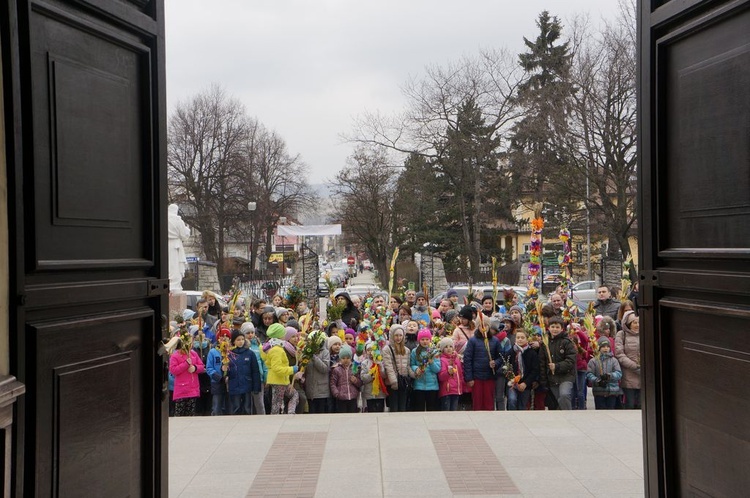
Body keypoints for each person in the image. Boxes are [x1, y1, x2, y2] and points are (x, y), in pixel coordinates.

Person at [539, 316, 577, 410]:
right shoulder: (545, 343)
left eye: (557, 327)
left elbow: (571, 360)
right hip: (552, 378)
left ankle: (569, 416)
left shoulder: (567, 342)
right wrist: (543, 380)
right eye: (552, 327)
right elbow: (542, 362)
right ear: (548, 328)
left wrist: (557, 366)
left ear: (562, 328)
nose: (555, 329)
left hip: (566, 376)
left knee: (564, 395)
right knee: (558, 400)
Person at [262, 323, 300, 415]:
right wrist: (292, 369)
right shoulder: (277, 350)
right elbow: (277, 368)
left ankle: (290, 412)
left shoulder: (275, 347)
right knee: (277, 402)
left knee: (291, 396)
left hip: (281, 380)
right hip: (278, 380)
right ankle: (282, 416)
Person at [463, 323, 503, 411]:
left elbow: (501, 357)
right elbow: (467, 359)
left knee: (489, 402)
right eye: (481, 326)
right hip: (476, 377)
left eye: (486, 325)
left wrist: (495, 363)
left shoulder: (495, 341)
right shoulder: (473, 341)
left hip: (489, 376)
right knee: (477, 403)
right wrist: (469, 378)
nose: (484, 328)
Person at [169, 332, 205, 416]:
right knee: (179, 413)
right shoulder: (175, 356)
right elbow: (173, 370)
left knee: (190, 413)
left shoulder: (194, 354)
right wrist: (185, 364)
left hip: (192, 388)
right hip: (181, 389)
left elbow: (202, 367)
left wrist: (195, 368)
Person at [227, 330, 261, 415]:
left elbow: (255, 371)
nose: (241, 341)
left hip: (247, 383)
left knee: (247, 407)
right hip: (234, 384)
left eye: (242, 339)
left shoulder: (250, 353)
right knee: (236, 406)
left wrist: (256, 386)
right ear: (233, 341)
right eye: (238, 340)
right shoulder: (229, 354)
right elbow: (226, 370)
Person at [587, 336, 623, 409]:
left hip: (612, 391)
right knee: (600, 410)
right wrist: (597, 381)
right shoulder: (593, 361)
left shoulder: (614, 360)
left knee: (611, 409)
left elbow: (619, 373)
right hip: (599, 391)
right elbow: (589, 374)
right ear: (599, 348)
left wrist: (610, 376)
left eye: (607, 346)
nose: (606, 348)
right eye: (603, 347)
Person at [382, 324, 411, 412]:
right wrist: (393, 381)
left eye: (400, 335)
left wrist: (416, 373)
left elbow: (407, 366)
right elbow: (389, 366)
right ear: (392, 336)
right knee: (394, 407)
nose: (398, 338)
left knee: (403, 407)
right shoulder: (387, 349)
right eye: (396, 335)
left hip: (403, 381)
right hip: (392, 383)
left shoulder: (406, 350)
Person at [507, 329, 539, 410]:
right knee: (512, 400)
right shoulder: (511, 352)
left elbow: (534, 370)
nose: (520, 339)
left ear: (527, 339)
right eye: (518, 337)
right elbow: (506, 366)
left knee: (522, 405)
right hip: (513, 383)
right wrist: (512, 380)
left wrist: (525, 383)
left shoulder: (532, 353)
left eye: (522, 337)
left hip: (525, 384)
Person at [410, 329, 441, 411]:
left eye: (427, 339)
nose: (425, 341)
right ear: (419, 340)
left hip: (432, 386)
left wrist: (432, 363)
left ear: (430, 340)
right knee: (419, 408)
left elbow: (437, 369)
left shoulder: (434, 351)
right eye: (422, 339)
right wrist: (416, 369)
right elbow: (412, 364)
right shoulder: (414, 351)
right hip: (419, 385)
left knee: (431, 409)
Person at [616, 310, 641, 409]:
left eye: (639, 322)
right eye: (634, 322)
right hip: (628, 373)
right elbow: (619, 354)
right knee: (629, 404)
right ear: (628, 323)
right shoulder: (621, 334)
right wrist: (634, 366)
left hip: (643, 374)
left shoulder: (645, 333)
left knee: (641, 405)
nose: (637, 325)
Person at [303, 330, 331, 414]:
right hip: (309, 389)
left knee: (321, 413)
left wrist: (314, 357)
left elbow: (325, 368)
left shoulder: (325, 352)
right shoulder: (306, 352)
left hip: (321, 391)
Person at [205, 328, 232, 415]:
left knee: (229, 406)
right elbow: (209, 368)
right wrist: (219, 377)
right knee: (217, 405)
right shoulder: (213, 352)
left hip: (229, 382)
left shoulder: (231, 352)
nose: (224, 340)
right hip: (217, 382)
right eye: (221, 338)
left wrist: (228, 374)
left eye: (226, 338)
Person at [241, 322, 267, 415]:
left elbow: (264, 362)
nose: (250, 335)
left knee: (259, 402)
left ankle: (262, 418)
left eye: (252, 332)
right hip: (246, 378)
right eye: (247, 333)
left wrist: (265, 376)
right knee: (247, 403)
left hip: (258, 378)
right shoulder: (242, 347)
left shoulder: (259, 345)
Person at [329, 345, 361, 413]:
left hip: (352, 397)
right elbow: (333, 383)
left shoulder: (354, 368)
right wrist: (337, 394)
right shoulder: (336, 370)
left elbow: (360, 382)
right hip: (341, 398)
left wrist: (355, 381)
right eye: (343, 358)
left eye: (348, 358)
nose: (346, 360)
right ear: (340, 358)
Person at [167, 204, 191, 292]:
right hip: (175, 245)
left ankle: (169, 282)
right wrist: (187, 230)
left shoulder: (163, 219)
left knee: (168, 264)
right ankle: (174, 284)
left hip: (166, 245)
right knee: (175, 266)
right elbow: (184, 235)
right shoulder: (178, 221)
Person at [360, 342, 388, 413]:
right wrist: (371, 375)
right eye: (368, 350)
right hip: (369, 393)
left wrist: (380, 367)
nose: (370, 352)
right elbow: (363, 377)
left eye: (372, 349)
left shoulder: (381, 362)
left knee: (380, 411)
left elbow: (384, 375)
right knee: (370, 412)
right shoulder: (364, 363)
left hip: (380, 393)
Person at [437, 337, 463, 411]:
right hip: (447, 391)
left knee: (454, 410)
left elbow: (460, 374)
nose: (449, 348)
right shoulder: (442, 360)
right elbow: (441, 377)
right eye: (446, 347)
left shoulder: (457, 359)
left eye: (450, 346)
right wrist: (448, 373)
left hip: (456, 390)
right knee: (446, 411)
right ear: (442, 349)